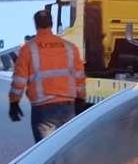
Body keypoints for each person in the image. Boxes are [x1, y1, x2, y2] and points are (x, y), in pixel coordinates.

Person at [7, 9, 87, 141]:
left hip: (43, 109)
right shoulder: (69, 47)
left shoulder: (28, 49)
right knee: (66, 149)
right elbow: (79, 76)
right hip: (67, 106)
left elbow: (19, 79)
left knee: (45, 152)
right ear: (51, 23)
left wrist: (14, 102)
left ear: (36, 25)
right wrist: (80, 99)